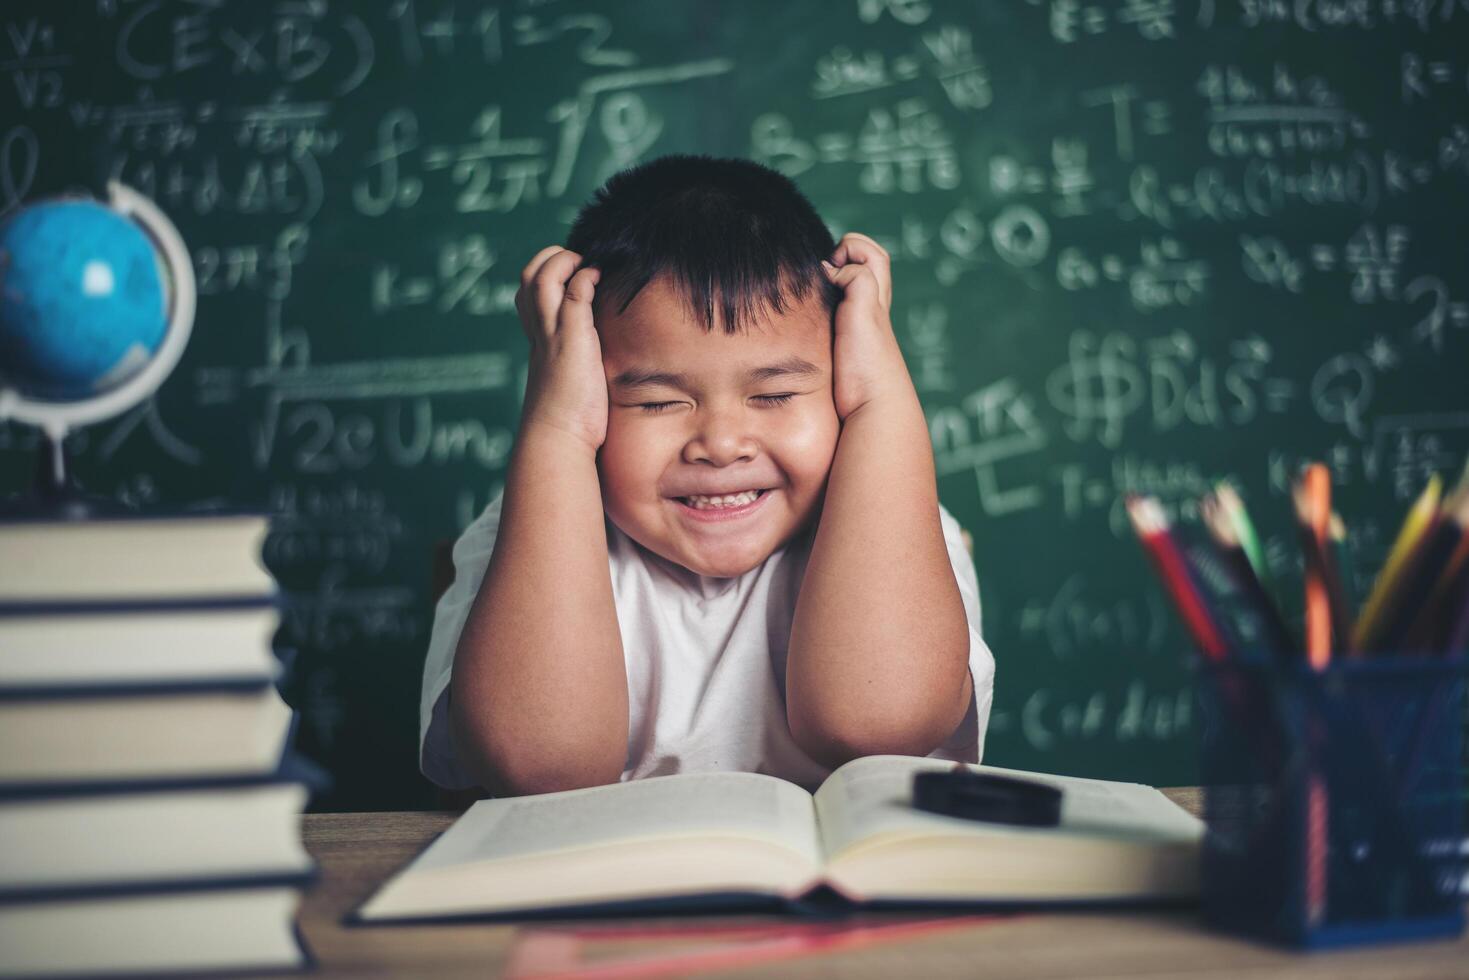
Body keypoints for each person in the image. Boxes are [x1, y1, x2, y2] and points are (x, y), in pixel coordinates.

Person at [419, 155, 995, 798]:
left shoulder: (895, 518)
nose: (721, 445)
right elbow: (543, 768)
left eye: (774, 395)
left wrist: (880, 400)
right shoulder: (522, 534)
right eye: (657, 402)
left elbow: (874, 729)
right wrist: (555, 431)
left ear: (841, 380)